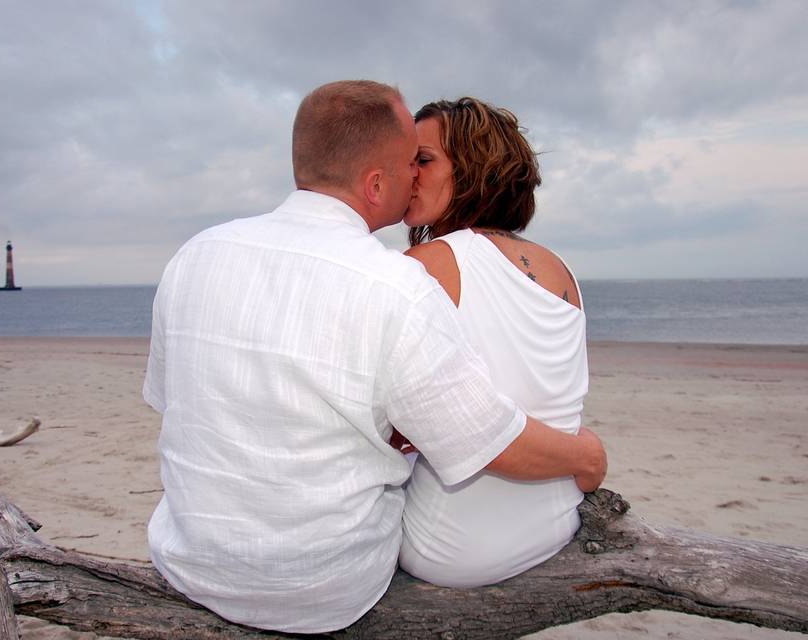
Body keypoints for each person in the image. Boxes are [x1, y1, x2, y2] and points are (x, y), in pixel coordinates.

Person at [143, 81, 606, 633]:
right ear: (376, 181)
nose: (414, 174)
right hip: (344, 585)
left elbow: (171, 402)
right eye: (412, 160)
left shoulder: (195, 253)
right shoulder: (410, 282)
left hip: (190, 561)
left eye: (424, 160)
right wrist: (585, 456)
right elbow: (485, 435)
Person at [399, 97, 590, 587]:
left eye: (423, 159)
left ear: (473, 169)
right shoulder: (559, 267)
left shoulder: (425, 264)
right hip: (555, 522)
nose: (408, 174)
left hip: (452, 549)